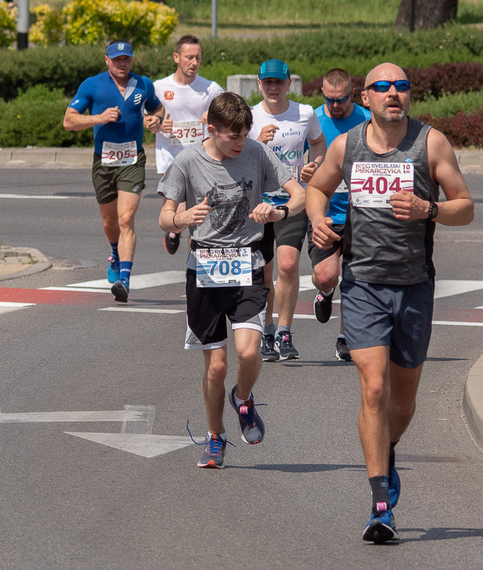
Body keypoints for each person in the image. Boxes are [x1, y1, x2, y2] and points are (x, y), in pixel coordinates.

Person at [306, 63, 474, 542]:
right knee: (374, 389)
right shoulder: (348, 145)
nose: (394, 94)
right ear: (366, 97)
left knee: (402, 404)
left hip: (414, 284)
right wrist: (318, 220)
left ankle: (389, 447)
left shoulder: (431, 143)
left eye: (401, 86)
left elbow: (466, 206)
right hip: (363, 283)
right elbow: (318, 188)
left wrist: (430, 209)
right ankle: (381, 505)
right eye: (383, 87)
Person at [158, 92, 305, 468]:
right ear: (212, 130)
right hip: (204, 267)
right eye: (233, 137)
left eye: (245, 135)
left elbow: (300, 195)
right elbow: (164, 217)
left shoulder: (256, 153)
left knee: (249, 352)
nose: (241, 143)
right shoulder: (188, 161)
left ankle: (242, 398)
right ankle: (215, 435)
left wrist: (279, 211)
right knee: (217, 365)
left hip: (247, 264)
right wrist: (181, 220)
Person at [63, 39, 164, 303]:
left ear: (131, 60)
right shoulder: (92, 85)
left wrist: (156, 120)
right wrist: (99, 118)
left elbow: (157, 108)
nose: (122, 63)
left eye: (126, 59)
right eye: (117, 59)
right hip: (104, 161)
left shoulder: (143, 84)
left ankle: (125, 281)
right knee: (110, 223)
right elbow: (69, 121)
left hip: (133, 159)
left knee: (126, 218)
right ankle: (114, 253)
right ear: (107, 60)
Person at [247, 59, 325, 361]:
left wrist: (314, 165)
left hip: (292, 201)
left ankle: (284, 331)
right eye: (267, 82)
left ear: (289, 83)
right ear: (259, 84)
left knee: (289, 265)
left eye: (278, 82)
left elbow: (318, 143)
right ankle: (265, 331)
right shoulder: (250, 117)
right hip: (259, 204)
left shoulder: (305, 113)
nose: (273, 87)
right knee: (264, 273)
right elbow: (235, 153)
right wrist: (256, 141)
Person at [308, 68, 371, 362]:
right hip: (326, 214)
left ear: (353, 94)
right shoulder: (313, 121)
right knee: (326, 275)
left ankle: (345, 337)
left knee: (354, 278)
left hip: (361, 213)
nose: (335, 105)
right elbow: (295, 158)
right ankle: (324, 293)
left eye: (341, 99)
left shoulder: (367, 120)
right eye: (329, 99)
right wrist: (306, 170)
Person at [154, 35, 224, 256]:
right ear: (176, 57)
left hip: (200, 160)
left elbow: (228, 114)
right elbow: (148, 119)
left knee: (196, 216)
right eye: (189, 57)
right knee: (183, 209)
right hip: (171, 158)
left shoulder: (211, 89)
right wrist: (157, 125)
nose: (194, 62)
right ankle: (175, 228)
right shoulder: (159, 87)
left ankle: (192, 262)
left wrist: (213, 117)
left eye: (198, 58)